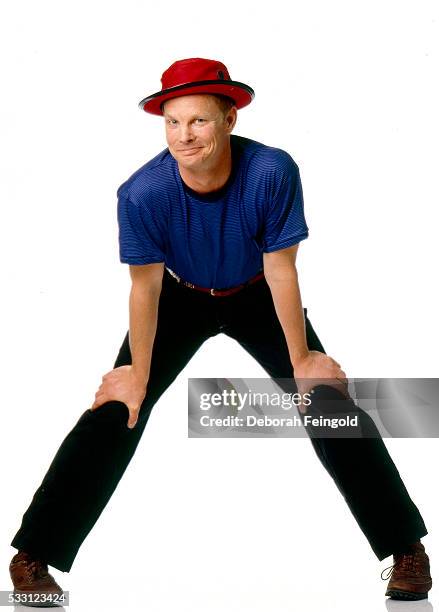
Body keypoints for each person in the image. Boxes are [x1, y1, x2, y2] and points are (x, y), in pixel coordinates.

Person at [9, 57, 432, 604]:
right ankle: (33, 557)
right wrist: (136, 373)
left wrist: (302, 360)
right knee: (119, 408)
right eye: (173, 122)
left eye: (199, 121)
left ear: (229, 119)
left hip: (257, 291)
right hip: (179, 298)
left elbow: (282, 268)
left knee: (327, 401)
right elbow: (146, 288)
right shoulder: (140, 194)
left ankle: (406, 551)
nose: (184, 135)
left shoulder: (272, 172)